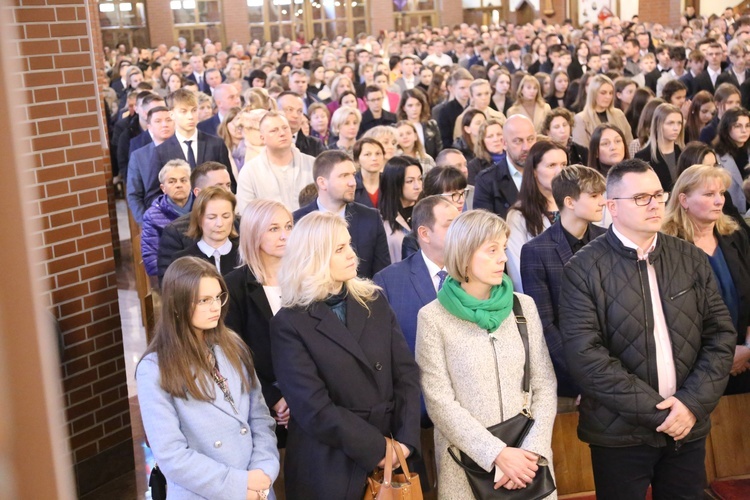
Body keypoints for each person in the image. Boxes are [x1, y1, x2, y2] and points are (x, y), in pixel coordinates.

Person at [559, 159, 736, 500]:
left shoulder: (689, 257)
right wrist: (661, 413)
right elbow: (586, 357)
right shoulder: (582, 269)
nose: (655, 203)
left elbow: (720, 336)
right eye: (642, 197)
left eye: (658, 194)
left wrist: (690, 404)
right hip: (620, 433)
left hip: (687, 427)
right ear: (612, 206)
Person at [270, 211, 421, 499]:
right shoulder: (289, 323)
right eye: (339, 249)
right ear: (313, 258)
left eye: (349, 244)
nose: (352, 254)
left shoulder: (374, 301)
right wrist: (378, 449)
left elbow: (407, 375)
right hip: (329, 464)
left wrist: (404, 441)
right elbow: (313, 408)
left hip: (393, 451)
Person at [415, 209, 557, 498]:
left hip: (529, 467)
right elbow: (439, 402)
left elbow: (544, 384)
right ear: (465, 255)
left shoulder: (523, 306)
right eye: (491, 250)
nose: (503, 258)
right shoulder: (432, 318)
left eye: (503, 248)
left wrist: (530, 453)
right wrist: (497, 454)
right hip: (467, 469)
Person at [136, 256, 279, 500]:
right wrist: (240, 485)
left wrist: (263, 472)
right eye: (204, 300)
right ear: (177, 305)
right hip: (207, 493)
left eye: (218, 297)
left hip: (258, 488)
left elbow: (260, 418)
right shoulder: (154, 368)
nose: (216, 307)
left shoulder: (233, 344)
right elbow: (172, 455)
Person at [520, 165, 607, 400]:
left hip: (615, 366)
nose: (603, 201)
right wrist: (582, 377)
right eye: (594, 195)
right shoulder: (535, 251)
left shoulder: (608, 240)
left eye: (602, 194)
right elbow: (545, 325)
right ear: (570, 202)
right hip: (568, 376)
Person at [662, 164, 750, 395]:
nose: (719, 201)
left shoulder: (735, 235)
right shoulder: (667, 246)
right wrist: (719, 357)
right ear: (684, 200)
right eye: (709, 194)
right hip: (694, 369)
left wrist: (747, 348)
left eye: (721, 193)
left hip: (744, 359)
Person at [224, 199, 294, 449]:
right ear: (254, 234)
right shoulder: (234, 286)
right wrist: (274, 398)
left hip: (307, 393)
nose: (285, 235)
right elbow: (234, 354)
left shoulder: (304, 278)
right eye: (274, 229)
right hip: (260, 398)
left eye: (288, 226)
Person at [293, 150, 390, 279]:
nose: (353, 182)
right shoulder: (297, 221)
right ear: (322, 182)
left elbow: (382, 275)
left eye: (353, 175)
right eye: (344, 176)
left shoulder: (371, 218)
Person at [506, 140, 567, 292]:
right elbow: (518, 271)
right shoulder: (519, 216)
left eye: (564, 165)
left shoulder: (574, 207)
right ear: (534, 170)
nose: (560, 172)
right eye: (551, 165)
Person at [157, 162, 235, 281]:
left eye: (228, 185)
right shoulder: (175, 231)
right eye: (218, 187)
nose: (226, 191)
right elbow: (169, 284)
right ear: (198, 193)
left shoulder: (241, 224)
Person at [150, 88, 234, 190]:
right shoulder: (161, 152)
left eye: (194, 110)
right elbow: (154, 192)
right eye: (183, 111)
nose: (190, 116)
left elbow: (230, 185)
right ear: (172, 114)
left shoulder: (216, 144)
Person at [236, 111, 315, 213]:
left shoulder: (312, 164)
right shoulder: (249, 172)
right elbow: (246, 214)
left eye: (285, 128)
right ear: (262, 138)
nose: (282, 133)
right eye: (274, 130)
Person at [169, 186, 239, 280]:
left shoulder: (247, 257)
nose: (220, 224)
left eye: (226, 216)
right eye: (211, 217)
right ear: (199, 219)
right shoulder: (182, 261)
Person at [474, 115, 536, 219]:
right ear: (504, 143)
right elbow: (483, 229)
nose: (526, 147)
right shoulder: (486, 181)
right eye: (518, 141)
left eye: (530, 139)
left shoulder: (547, 173)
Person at [141, 160, 193, 277]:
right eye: (172, 181)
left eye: (183, 180)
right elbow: (151, 260)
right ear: (163, 188)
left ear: (191, 183)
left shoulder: (203, 207)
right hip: (173, 278)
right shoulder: (152, 216)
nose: (179, 185)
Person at [127, 105, 176, 224]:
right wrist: (146, 222)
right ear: (149, 127)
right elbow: (134, 195)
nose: (164, 124)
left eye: (168, 120)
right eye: (158, 121)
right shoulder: (139, 156)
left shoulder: (185, 149)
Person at [379, 156, 423, 264]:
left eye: (420, 179)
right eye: (410, 181)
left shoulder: (427, 212)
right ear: (395, 183)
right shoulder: (380, 220)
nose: (417, 186)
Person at [572, 74, 634, 148]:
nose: (608, 97)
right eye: (603, 93)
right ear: (593, 94)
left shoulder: (619, 114)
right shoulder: (580, 119)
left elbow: (629, 143)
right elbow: (582, 150)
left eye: (611, 93)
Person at [635, 103, 685, 190]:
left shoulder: (684, 153)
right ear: (658, 125)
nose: (676, 128)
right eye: (670, 123)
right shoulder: (643, 157)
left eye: (679, 123)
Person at [713, 108, 750, 215]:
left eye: (747, 125)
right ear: (726, 128)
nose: (744, 130)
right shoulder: (716, 156)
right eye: (738, 126)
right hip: (729, 214)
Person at [396, 88, 442, 160]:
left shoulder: (431, 126)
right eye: (410, 105)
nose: (414, 109)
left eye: (418, 105)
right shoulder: (396, 128)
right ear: (404, 108)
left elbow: (439, 152)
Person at [277, 92, 326, 158]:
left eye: (299, 111)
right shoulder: (267, 142)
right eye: (289, 110)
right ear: (276, 111)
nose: (295, 115)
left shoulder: (315, 145)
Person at [437, 68, 474, 150]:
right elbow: (445, 139)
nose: (467, 91)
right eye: (462, 88)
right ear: (452, 88)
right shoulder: (445, 111)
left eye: (469, 88)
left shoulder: (475, 107)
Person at [352, 137, 385, 208]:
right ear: (357, 160)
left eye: (378, 154)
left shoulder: (391, 182)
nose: (374, 158)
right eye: (367, 154)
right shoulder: (351, 184)